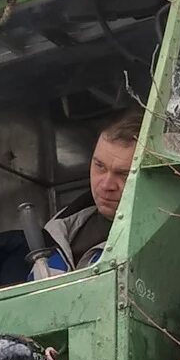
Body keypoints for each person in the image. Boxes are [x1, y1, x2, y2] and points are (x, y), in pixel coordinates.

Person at [41, 110, 139, 272]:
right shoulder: (57, 231)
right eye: (99, 166)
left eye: (124, 174)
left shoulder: (158, 242)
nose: (106, 185)